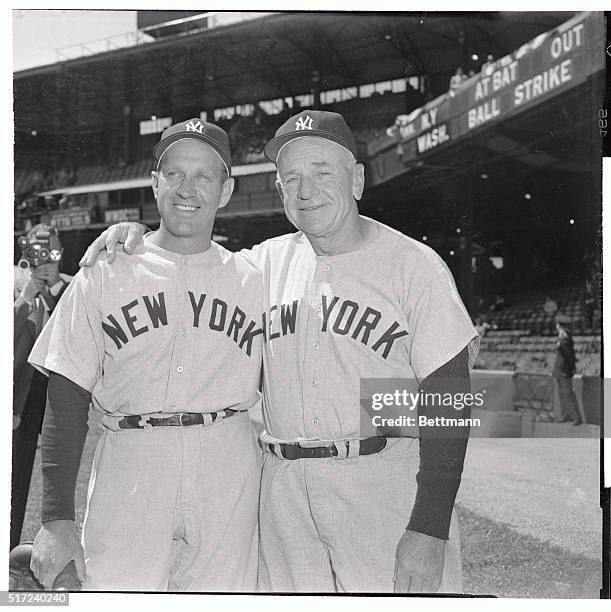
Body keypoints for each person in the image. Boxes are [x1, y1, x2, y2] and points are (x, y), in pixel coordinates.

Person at [80, 110, 479, 593]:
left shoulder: (414, 267)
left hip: (380, 485)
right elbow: (189, 255)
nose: (305, 189)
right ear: (280, 191)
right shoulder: (261, 265)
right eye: (291, 178)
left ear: (356, 179)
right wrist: (135, 236)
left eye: (321, 172)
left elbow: (448, 403)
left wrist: (431, 525)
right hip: (284, 494)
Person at [28, 119, 264, 591]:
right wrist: (55, 519)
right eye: (174, 174)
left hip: (227, 462)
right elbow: (67, 397)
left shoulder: (255, 276)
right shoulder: (104, 269)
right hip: (132, 462)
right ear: (154, 183)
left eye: (204, 176)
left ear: (227, 189)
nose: (187, 189)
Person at [12, 225, 72, 551]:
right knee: (14, 479)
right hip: (21, 393)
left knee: (61, 480)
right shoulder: (14, 284)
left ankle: (58, 551)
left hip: (60, 395)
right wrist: (25, 296)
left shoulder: (71, 286)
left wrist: (55, 287)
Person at [552, 314, 582, 425]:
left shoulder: (565, 338)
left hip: (564, 371)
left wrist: (572, 368)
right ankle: (567, 415)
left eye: (557, 324)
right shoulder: (562, 336)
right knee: (562, 394)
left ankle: (576, 417)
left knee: (568, 393)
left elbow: (569, 356)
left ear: (559, 325)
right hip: (559, 370)